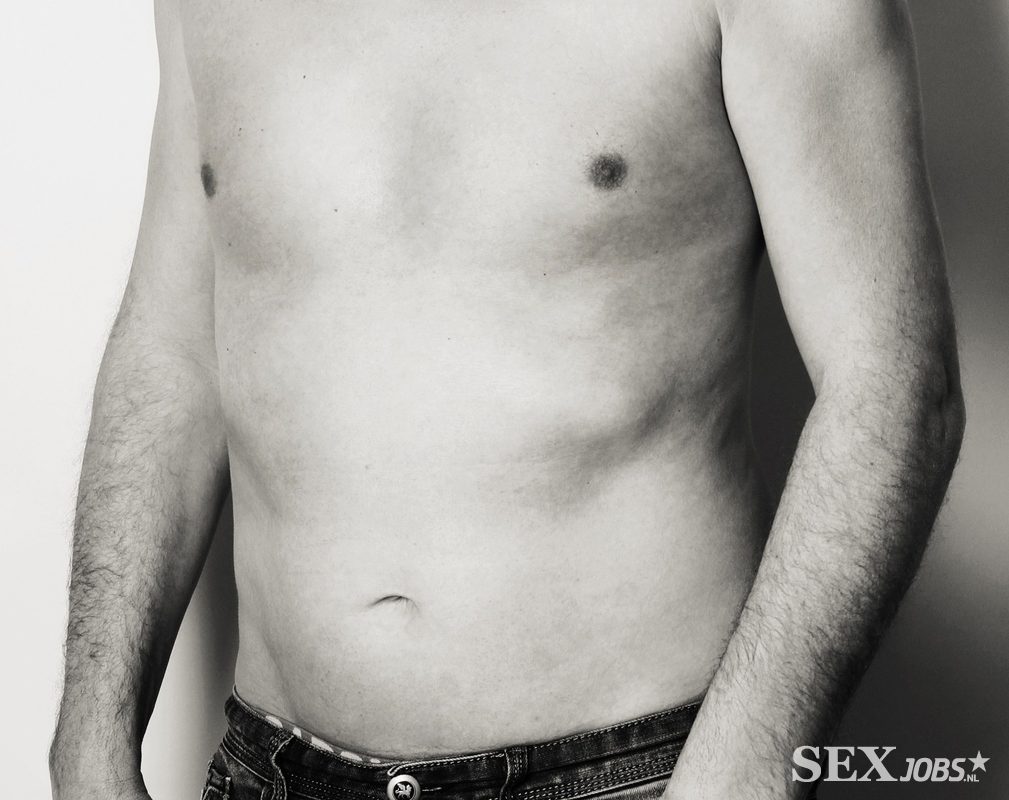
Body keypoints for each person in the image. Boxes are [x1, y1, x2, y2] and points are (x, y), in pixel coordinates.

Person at [49, 1, 965, 799]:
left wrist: (746, 768)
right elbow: (172, 357)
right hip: (270, 768)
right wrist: (89, 742)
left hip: (638, 771)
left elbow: (891, 382)